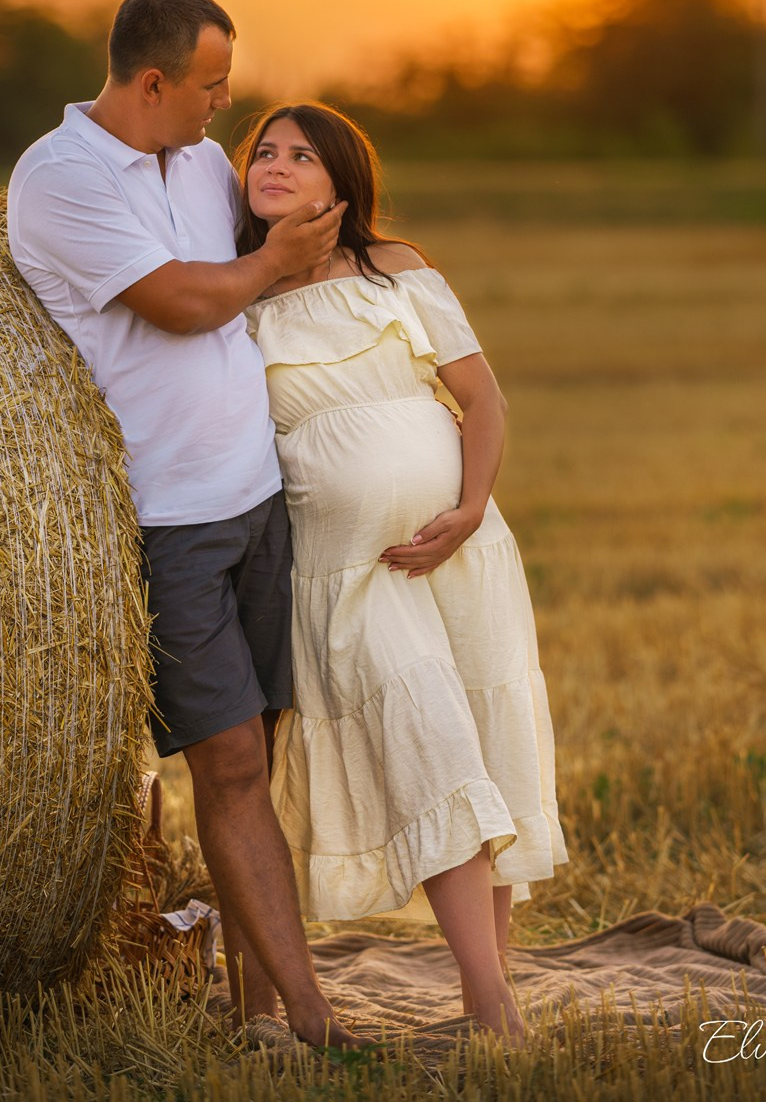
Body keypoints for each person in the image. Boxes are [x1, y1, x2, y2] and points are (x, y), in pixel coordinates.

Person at [6, 0, 370, 1051]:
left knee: (260, 749)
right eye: (211, 84)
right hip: (170, 519)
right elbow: (177, 302)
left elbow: (257, 260)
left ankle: (262, 1010)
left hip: (257, 494)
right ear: (154, 78)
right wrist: (272, 261)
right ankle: (311, 1015)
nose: (225, 104)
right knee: (229, 764)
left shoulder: (198, 160)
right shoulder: (60, 175)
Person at [236, 100, 568, 1041]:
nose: (277, 166)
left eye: (303, 156)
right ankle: (494, 1003)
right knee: (432, 751)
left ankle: (483, 993)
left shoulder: (399, 270)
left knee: (484, 742)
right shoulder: (240, 295)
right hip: (348, 573)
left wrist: (466, 511)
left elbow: (483, 399)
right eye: (264, 151)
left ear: (344, 186)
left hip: (463, 552)